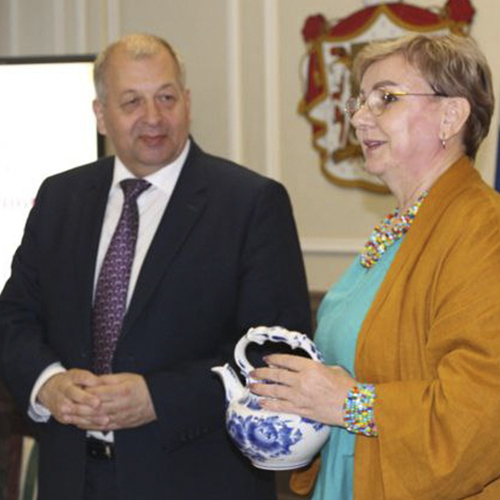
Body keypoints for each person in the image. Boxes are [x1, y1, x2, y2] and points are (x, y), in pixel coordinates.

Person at [0, 33, 311, 500]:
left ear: (187, 102)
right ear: (100, 115)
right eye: (132, 102)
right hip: (71, 477)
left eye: (166, 97)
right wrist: (48, 384)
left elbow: (277, 354)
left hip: (194, 480)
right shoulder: (60, 197)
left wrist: (158, 398)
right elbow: (14, 318)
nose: (153, 117)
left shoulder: (250, 203)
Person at [250, 33, 500, 499]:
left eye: (386, 98)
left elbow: (482, 413)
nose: (360, 118)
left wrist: (349, 404)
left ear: (451, 116)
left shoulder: (485, 230)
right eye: (360, 101)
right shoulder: (401, 229)